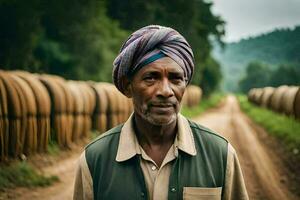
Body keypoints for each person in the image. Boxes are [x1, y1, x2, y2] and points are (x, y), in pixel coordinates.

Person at [73, 25, 248, 200]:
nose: (166, 91)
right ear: (128, 87)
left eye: (175, 78)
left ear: (185, 85)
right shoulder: (95, 159)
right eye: (151, 77)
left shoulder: (220, 155)